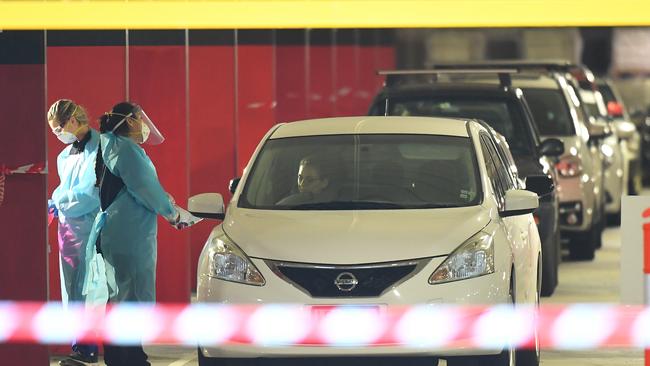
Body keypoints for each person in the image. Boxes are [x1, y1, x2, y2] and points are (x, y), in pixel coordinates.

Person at [84, 101, 192, 366]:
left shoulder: (109, 146)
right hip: (129, 234)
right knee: (130, 298)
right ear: (130, 121)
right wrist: (174, 213)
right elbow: (145, 188)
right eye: (139, 118)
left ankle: (122, 357)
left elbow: (132, 187)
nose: (144, 124)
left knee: (118, 297)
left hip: (114, 233)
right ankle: (130, 359)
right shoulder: (128, 150)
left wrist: (162, 200)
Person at [47, 99, 101, 366]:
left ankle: (88, 347)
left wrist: (60, 199)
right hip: (67, 229)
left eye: (58, 128)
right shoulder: (64, 156)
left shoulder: (100, 148)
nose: (58, 134)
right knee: (71, 289)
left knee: (90, 287)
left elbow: (90, 194)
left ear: (71, 121)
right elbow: (63, 189)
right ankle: (79, 346)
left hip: (91, 226)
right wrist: (55, 203)